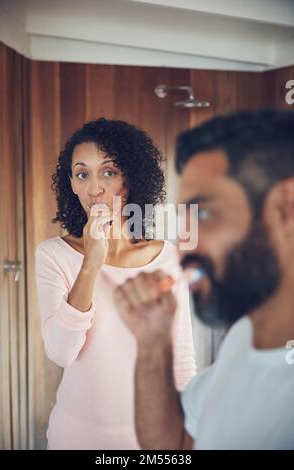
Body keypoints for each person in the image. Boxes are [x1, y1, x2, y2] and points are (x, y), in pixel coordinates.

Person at [115, 109, 294, 450]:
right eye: (184, 221)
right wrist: (153, 343)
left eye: (206, 214)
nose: (184, 248)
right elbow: (177, 445)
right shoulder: (246, 336)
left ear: (287, 209)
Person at [35, 118, 196, 450]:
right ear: (72, 185)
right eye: (83, 174)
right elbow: (62, 352)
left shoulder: (166, 258)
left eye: (108, 172)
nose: (95, 188)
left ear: (130, 178)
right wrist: (92, 262)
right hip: (75, 438)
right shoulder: (53, 255)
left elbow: (180, 358)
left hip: (150, 438)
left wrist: (185, 434)